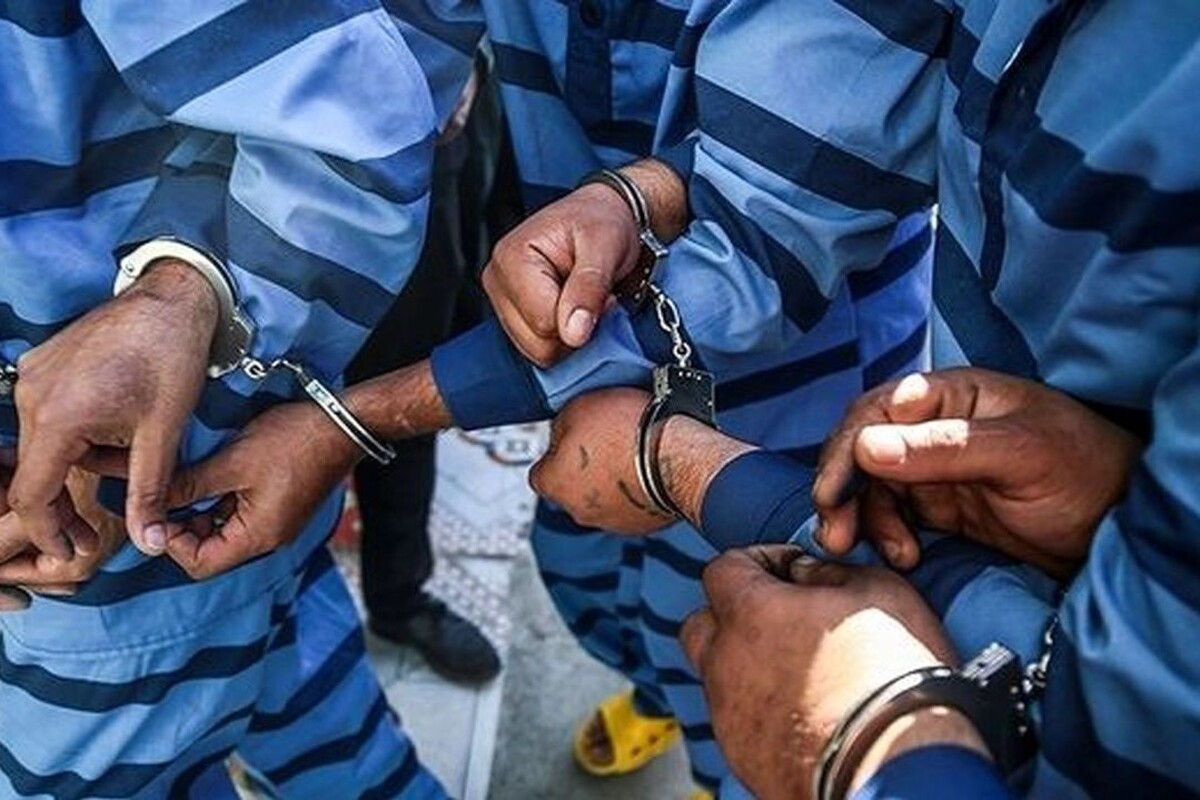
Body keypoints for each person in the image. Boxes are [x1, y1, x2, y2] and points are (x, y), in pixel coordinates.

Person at [79, 1, 935, 793]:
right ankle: (666, 693)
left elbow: (763, 232)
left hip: (800, 393)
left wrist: (346, 423)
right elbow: (374, 53)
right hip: (575, 373)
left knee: (768, 677)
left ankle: (712, 749)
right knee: (590, 578)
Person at [533, 0, 1200, 796]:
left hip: (835, 413)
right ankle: (670, 704)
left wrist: (881, 744)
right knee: (660, 613)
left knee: (745, 649)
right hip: (1014, 500)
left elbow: (1143, 724)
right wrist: (1121, 491)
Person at [0, 3, 448, 796]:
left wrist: (186, 293)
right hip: (117, 550)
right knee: (347, 756)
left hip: (128, 556)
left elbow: (353, 111)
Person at [346, 52, 513, 685]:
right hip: (347, 143)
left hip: (465, 106)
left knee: (428, 363)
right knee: (377, 395)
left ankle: (397, 598)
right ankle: (387, 600)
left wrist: (465, 54)